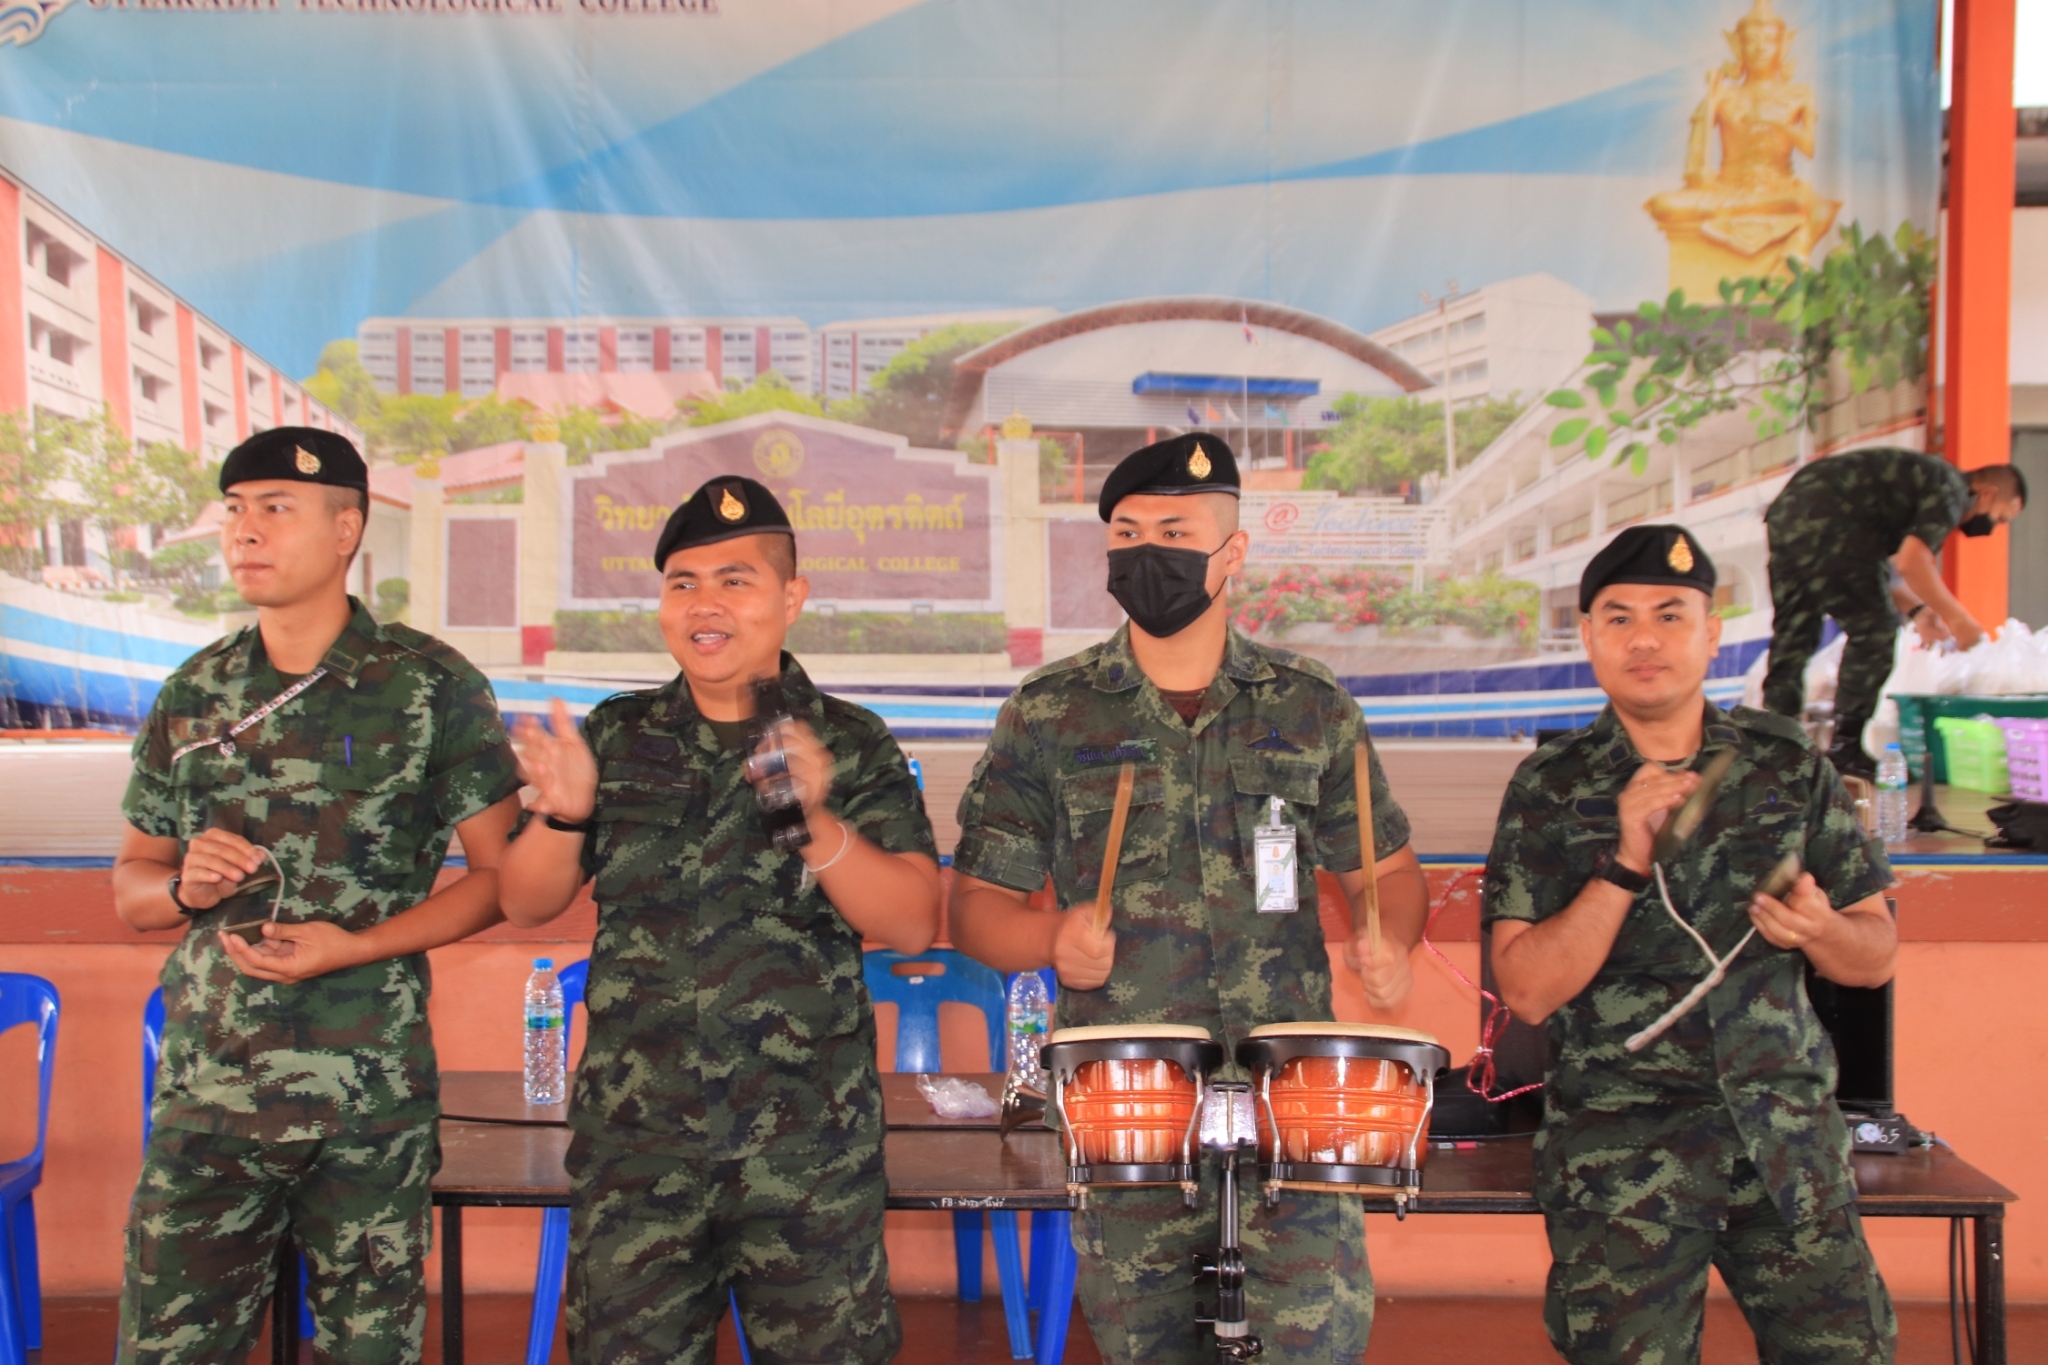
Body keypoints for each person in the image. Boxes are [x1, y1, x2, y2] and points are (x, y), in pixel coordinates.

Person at [947, 434, 1431, 1364]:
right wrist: (1050, 936)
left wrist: (1389, 937)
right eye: (1127, 532)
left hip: (1294, 1104)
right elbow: (973, 910)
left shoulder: (1310, 706)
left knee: (1316, 1345)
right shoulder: (1050, 712)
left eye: (1175, 529)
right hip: (1131, 1105)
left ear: (1233, 551)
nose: (1147, 551)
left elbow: (1387, 873)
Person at [498, 475, 941, 1365]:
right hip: (637, 1152)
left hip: (806, 1154)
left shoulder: (849, 742)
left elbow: (915, 923)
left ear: (790, 597)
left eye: (734, 580)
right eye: (682, 583)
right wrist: (567, 812)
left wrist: (815, 819)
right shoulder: (617, 736)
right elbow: (523, 900)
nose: (705, 604)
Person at [111, 427, 524, 1364]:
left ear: (348, 528)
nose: (245, 532)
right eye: (234, 511)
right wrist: (183, 885)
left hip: (366, 1098)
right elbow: (131, 889)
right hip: (208, 1096)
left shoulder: (428, 686)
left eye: (275, 509)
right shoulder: (196, 690)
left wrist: (356, 945)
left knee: (368, 1350)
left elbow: (500, 882)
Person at [1485, 523, 1901, 1365]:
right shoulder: (1552, 787)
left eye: (1672, 615)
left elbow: (1875, 953)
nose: (1646, 638)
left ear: (1713, 633)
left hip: (1784, 1143)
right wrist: (1625, 862)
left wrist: (1822, 930)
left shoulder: (1789, 770)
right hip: (1624, 1159)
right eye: (1620, 617)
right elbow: (1526, 989)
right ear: (1589, 637)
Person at [1762, 447, 2027, 778]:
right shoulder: (1951, 489)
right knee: (1876, 632)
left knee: (1794, 634)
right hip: (1831, 519)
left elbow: (1876, 569)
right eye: (2000, 517)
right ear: (1987, 493)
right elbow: (1912, 561)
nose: (1993, 525)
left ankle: (1775, 749)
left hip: (1789, 514)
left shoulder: (1920, 480)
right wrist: (1960, 620)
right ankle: (1845, 749)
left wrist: (1918, 611)